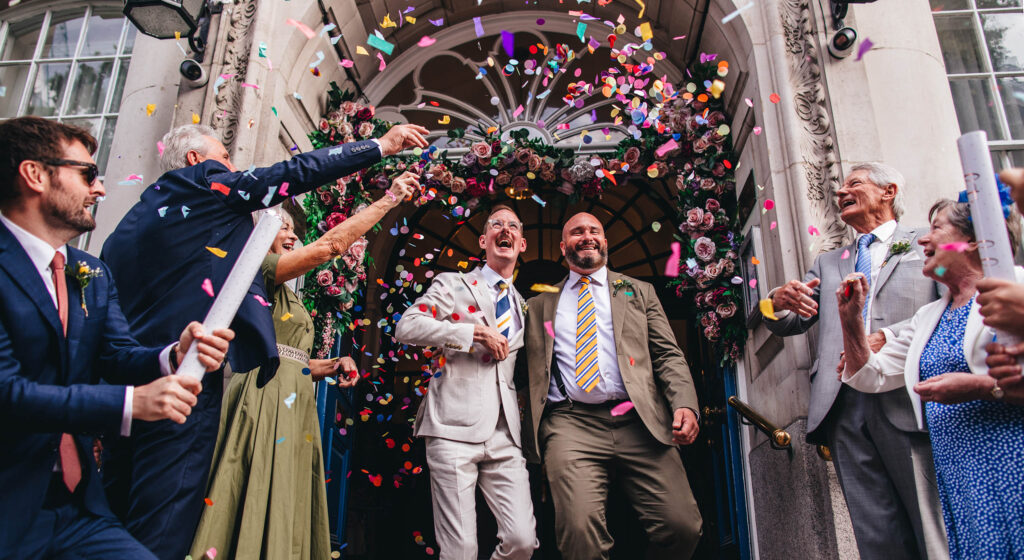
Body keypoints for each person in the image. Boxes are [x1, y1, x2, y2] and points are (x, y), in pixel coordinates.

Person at [100, 122, 429, 559]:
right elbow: (296, 172)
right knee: (163, 525)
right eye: (226, 159)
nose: (234, 170)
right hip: (186, 381)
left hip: (131, 385)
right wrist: (380, 146)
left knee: (116, 512)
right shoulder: (205, 186)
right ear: (197, 162)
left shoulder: (126, 228)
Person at [0, 116, 234, 558]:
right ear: (34, 174)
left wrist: (171, 355)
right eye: (87, 174)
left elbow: (116, 355)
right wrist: (132, 403)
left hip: (78, 508)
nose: (100, 189)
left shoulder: (92, 273)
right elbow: (7, 392)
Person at [190, 175, 419, 559]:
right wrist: (388, 200)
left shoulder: (285, 292)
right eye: (283, 226)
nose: (292, 234)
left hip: (293, 397)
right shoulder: (257, 268)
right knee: (259, 480)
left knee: (284, 492)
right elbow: (328, 248)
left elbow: (289, 357)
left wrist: (331, 365)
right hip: (264, 396)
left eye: (294, 228)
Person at [761, 162, 947, 559]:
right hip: (843, 403)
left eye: (854, 184)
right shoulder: (830, 262)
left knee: (931, 525)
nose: (841, 192)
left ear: (888, 191)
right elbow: (790, 320)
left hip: (908, 395)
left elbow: (953, 306)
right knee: (874, 531)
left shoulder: (925, 243)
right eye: (840, 186)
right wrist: (774, 301)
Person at [838, 198, 1024, 559]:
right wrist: (851, 321)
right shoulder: (929, 316)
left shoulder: (1016, 290)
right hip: (959, 473)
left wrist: (985, 388)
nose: (924, 240)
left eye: (937, 229)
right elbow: (869, 375)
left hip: (1010, 459)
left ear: (973, 241)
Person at [517, 211, 702, 560]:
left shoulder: (639, 292)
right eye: (576, 232)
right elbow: (516, 369)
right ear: (562, 246)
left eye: (593, 231)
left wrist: (685, 404)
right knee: (579, 533)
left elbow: (667, 355)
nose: (586, 237)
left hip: (641, 421)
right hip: (571, 425)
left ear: (605, 241)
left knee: (682, 526)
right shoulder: (538, 305)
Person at [394, 205, 539, 560]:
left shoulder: (524, 305)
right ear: (483, 240)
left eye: (513, 227)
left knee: (521, 541)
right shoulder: (453, 284)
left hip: (505, 433)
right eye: (496, 225)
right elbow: (406, 327)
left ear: (522, 244)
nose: (504, 230)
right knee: (460, 551)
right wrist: (470, 332)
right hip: (451, 429)